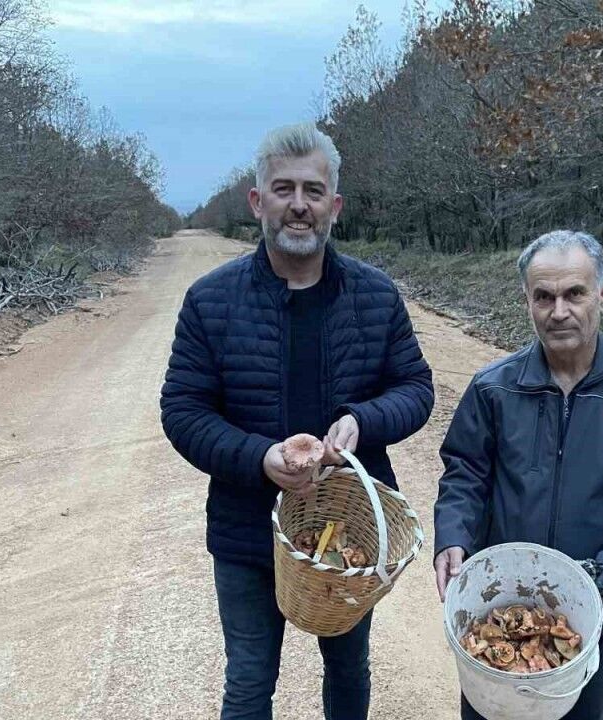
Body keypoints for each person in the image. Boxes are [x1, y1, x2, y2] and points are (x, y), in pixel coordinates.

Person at [160, 123, 434, 720]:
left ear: (335, 206)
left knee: (349, 671)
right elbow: (183, 410)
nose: (299, 204)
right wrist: (259, 457)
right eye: (284, 189)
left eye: (314, 190)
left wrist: (362, 421)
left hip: (351, 531)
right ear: (257, 201)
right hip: (247, 528)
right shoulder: (211, 301)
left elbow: (416, 388)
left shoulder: (376, 295)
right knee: (249, 682)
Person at [433, 230, 603, 720]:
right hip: (500, 603)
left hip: (597, 605)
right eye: (544, 297)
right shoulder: (493, 388)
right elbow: (464, 473)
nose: (559, 311)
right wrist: (453, 536)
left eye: (575, 293)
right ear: (527, 302)